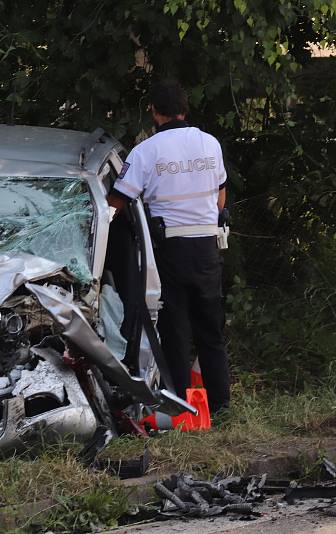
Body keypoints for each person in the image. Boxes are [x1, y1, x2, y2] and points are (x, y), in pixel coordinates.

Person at [107, 80, 230, 413]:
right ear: (184, 108)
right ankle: (221, 407)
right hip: (207, 249)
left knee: (175, 330)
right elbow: (221, 194)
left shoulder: (146, 151)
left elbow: (117, 202)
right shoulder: (210, 143)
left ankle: (182, 409)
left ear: (153, 111)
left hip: (170, 250)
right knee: (210, 330)